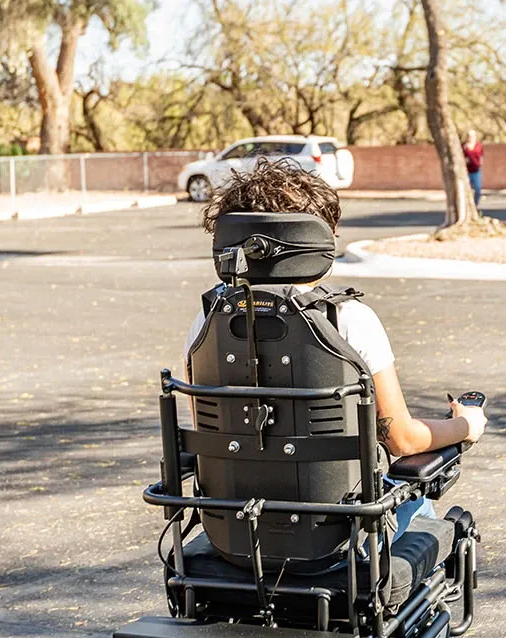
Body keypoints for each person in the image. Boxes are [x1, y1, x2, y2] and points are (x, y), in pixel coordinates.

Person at [185, 159, 489, 537]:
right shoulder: (346, 319)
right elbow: (401, 439)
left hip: (232, 534)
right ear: (316, 241)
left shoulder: (208, 321)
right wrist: (465, 425)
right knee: (421, 504)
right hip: (337, 540)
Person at [462, 129, 484, 209]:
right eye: (469, 136)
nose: (470, 137)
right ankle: (466, 206)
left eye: (472, 136)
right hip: (467, 171)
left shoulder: (478, 146)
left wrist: (480, 163)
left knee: (478, 189)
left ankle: (475, 206)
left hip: (476, 171)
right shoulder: (464, 146)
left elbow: (481, 156)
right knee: (467, 190)